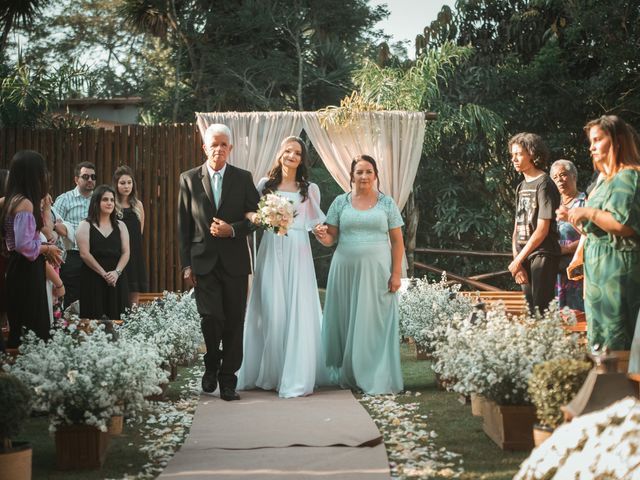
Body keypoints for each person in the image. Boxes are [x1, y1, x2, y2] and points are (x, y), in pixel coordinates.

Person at [237, 136, 327, 398]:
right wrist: (263, 217)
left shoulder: (309, 189)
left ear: (302, 159)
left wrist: (320, 230)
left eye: (297, 153)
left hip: (298, 250)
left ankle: (295, 372)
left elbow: (314, 223)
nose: (291, 156)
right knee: (271, 308)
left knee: (296, 307)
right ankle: (270, 372)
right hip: (271, 250)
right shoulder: (265, 185)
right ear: (280, 154)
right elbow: (249, 213)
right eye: (287, 151)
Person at [178, 123, 260, 401]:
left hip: (236, 262)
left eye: (224, 144)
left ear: (230, 148)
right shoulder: (188, 179)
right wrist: (186, 264)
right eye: (214, 144)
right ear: (205, 147)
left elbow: (256, 219)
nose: (219, 149)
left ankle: (228, 380)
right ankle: (212, 363)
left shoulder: (243, 178)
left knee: (234, 322)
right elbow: (183, 227)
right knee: (211, 319)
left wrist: (233, 229)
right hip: (203, 263)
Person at [313, 155, 404, 395]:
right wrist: (322, 237)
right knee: (346, 320)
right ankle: (349, 373)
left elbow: (397, 242)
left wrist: (396, 274)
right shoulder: (340, 203)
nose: (364, 176)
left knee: (374, 321)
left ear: (375, 175)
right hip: (345, 270)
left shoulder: (387, 204)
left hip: (378, 272)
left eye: (368, 172)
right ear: (351, 175)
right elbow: (331, 238)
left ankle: (375, 374)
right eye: (359, 172)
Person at [558, 115, 640, 350]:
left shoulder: (630, 176)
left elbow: (623, 225)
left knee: (619, 337)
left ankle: (625, 386)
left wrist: (588, 212)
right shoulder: (604, 179)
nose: (591, 147)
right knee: (601, 340)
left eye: (597, 140)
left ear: (617, 141)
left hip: (619, 270)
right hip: (598, 272)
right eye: (590, 141)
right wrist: (574, 217)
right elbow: (595, 229)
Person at [0, 151, 63, 347]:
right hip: (27, 270)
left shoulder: (10, 199)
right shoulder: (24, 203)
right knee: (33, 327)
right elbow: (24, 245)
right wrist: (46, 249)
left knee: (21, 325)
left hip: (15, 268)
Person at [508, 133, 561, 315]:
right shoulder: (521, 186)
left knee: (542, 312)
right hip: (523, 257)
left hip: (542, 254)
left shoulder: (545, 184)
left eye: (519, 154)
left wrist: (519, 260)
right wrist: (518, 264)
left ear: (532, 154)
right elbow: (517, 228)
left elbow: (542, 230)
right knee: (531, 312)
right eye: (512, 154)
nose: (514, 159)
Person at [76, 185, 130, 320]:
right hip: (93, 278)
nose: (110, 203)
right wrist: (104, 274)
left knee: (120, 319)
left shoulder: (121, 226)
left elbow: (126, 252)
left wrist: (116, 273)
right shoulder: (85, 225)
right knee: (93, 320)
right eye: (105, 199)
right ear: (96, 202)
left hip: (116, 278)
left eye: (112, 200)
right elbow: (84, 254)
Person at [53, 161, 96, 308]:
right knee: (72, 299)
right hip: (72, 256)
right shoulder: (64, 199)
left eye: (93, 177)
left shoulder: (99, 200)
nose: (90, 180)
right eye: (85, 176)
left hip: (94, 256)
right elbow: (53, 226)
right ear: (76, 179)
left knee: (93, 298)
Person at [550, 159, 586, 311]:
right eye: (556, 177)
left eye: (563, 175)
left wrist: (568, 248)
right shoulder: (551, 204)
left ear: (574, 176)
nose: (560, 180)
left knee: (579, 314)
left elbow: (593, 234)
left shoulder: (585, 202)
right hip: (554, 270)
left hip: (578, 269)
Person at [114, 165, 148, 305]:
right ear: (116, 185)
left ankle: (133, 322)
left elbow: (140, 231)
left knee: (134, 291)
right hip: (117, 253)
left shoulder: (138, 205)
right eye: (122, 183)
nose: (126, 186)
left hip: (135, 252)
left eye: (129, 183)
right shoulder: (112, 205)